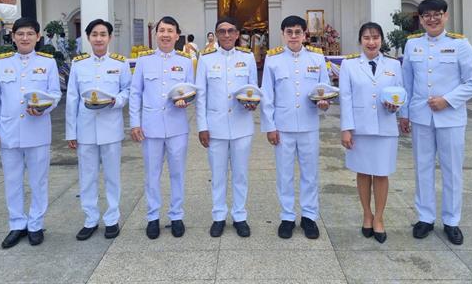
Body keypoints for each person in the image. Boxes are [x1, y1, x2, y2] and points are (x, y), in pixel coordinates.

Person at [400, 0, 472, 246]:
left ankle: (451, 221)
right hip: (421, 117)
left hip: (450, 118)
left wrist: (448, 100)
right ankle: (425, 218)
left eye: (437, 14)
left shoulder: (460, 44)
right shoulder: (412, 45)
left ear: (445, 16)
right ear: (421, 19)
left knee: (452, 171)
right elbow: (407, 83)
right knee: (422, 168)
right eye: (427, 16)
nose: (432, 19)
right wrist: (403, 114)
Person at [0, 17, 61, 249]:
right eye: (20, 34)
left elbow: (55, 95)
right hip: (9, 131)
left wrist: (44, 107)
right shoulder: (1, 64)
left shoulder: (48, 63)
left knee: (39, 180)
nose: (25, 38)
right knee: (12, 180)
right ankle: (17, 224)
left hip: (37, 130)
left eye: (30, 33)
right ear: (13, 36)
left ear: (38, 37)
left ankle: (36, 224)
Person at [261, 15, 330, 239]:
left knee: (310, 174)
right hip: (283, 126)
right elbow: (267, 96)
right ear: (282, 34)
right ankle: (287, 217)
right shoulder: (273, 60)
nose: (293, 36)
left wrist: (324, 103)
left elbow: (325, 90)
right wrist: (270, 126)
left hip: (309, 124)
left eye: (297, 32)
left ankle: (309, 216)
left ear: (304, 34)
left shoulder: (317, 59)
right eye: (289, 32)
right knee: (285, 175)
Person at [65, 19, 131, 241]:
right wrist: (71, 132)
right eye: (95, 34)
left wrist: (116, 101)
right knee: (88, 176)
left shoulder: (120, 63)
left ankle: (112, 219)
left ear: (110, 38)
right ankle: (90, 219)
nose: (99, 38)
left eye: (103, 34)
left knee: (112, 176)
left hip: (111, 127)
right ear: (88, 37)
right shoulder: (78, 64)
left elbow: (127, 90)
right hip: (85, 129)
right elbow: (72, 98)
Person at [129, 16, 194, 239]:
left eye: (170, 31)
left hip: (177, 127)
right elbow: (135, 93)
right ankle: (153, 217)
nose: (166, 34)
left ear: (177, 35)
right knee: (152, 174)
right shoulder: (144, 61)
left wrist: (186, 99)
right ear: (156, 34)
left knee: (177, 173)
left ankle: (176, 216)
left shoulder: (186, 62)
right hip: (150, 127)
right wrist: (134, 123)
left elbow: (191, 91)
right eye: (162, 30)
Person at [339, 22, 403, 244]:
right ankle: (367, 214)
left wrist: (399, 109)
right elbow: (345, 98)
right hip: (360, 128)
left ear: (382, 40)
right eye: (366, 38)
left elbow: (400, 93)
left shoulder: (394, 65)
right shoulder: (349, 66)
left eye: (375, 37)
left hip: (385, 126)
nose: (371, 42)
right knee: (364, 173)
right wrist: (346, 129)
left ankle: (380, 218)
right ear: (360, 41)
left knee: (382, 173)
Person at [195, 17, 258, 238]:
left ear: (238, 33)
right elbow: (201, 95)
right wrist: (202, 126)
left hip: (241, 125)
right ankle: (219, 216)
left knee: (240, 175)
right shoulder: (206, 59)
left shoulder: (247, 57)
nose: (227, 35)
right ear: (216, 35)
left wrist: (253, 103)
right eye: (222, 31)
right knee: (218, 174)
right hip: (215, 127)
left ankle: (240, 216)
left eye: (231, 31)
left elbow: (254, 90)